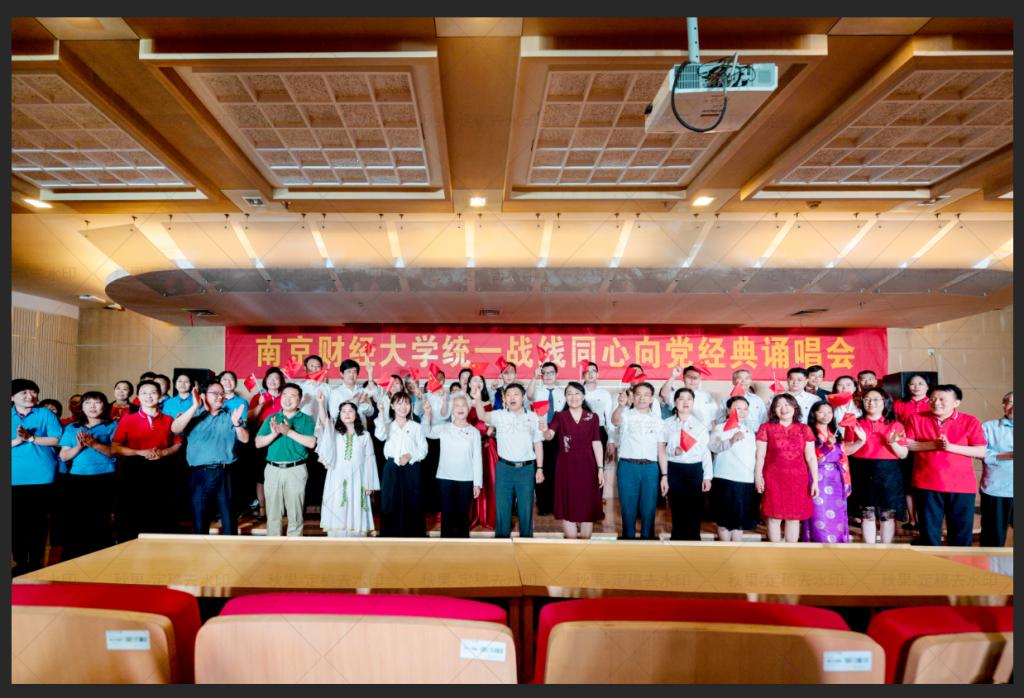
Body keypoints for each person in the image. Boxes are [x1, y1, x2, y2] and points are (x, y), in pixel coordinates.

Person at [905, 384, 987, 547]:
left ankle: (961, 562)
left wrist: (949, 447)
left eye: (942, 399)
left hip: (961, 486)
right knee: (929, 534)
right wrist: (933, 445)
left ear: (956, 403)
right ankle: (933, 562)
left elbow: (981, 451)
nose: (936, 403)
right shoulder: (916, 418)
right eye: (932, 399)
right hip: (926, 483)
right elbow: (907, 444)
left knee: (961, 534)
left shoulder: (970, 421)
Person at [171, 381, 249, 536]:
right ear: (203, 396)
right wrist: (195, 406)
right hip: (200, 473)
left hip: (225, 472)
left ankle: (229, 549)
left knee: (229, 519)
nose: (220, 397)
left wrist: (237, 424)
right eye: (215, 393)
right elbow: (175, 429)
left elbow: (245, 439)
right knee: (200, 519)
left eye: (222, 394)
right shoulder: (193, 415)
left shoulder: (230, 416)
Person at [111, 379, 182, 539]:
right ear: (138, 396)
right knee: (133, 513)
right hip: (135, 469)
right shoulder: (128, 419)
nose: (148, 396)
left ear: (160, 396)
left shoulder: (169, 419)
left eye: (153, 393)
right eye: (144, 393)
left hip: (162, 469)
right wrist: (140, 452)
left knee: (161, 513)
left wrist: (164, 452)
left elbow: (178, 444)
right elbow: (115, 447)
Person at [472, 382, 544, 538]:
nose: (512, 398)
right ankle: (501, 543)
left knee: (526, 510)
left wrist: (540, 468)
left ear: (523, 397)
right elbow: (482, 416)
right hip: (504, 468)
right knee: (503, 510)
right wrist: (477, 400)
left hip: (526, 469)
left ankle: (526, 541)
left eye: (516, 394)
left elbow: (538, 443)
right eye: (508, 395)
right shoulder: (499, 415)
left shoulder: (533, 417)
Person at [57, 391, 118, 559]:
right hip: (77, 478)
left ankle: (100, 557)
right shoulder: (73, 428)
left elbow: (116, 452)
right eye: (88, 403)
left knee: (101, 518)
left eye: (97, 402)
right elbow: (64, 456)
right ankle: (74, 557)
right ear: (82, 407)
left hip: (105, 477)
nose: (92, 406)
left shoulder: (113, 425)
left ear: (104, 406)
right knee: (77, 519)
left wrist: (95, 444)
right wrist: (79, 446)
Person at [11, 379, 63, 574]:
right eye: (24, 392)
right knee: (15, 521)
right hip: (13, 475)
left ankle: (35, 560)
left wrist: (32, 438)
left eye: (33, 391)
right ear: (12, 397)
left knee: (38, 521)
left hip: (42, 474)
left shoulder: (45, 413)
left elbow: (57, 439)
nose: (30, 396)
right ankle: (19, 561)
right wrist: (17, 440)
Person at [541, 381, 604, 539]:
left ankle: (585, 544)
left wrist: (600, 469)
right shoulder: (559, 416)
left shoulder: (592, 417)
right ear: (565, 397)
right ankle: (571, 543)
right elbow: (549, 436)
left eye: (577, 393)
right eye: (569, 393)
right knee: (567, 502)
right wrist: (544, 430)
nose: (573, 397)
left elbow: (597, 443)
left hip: (588, 466)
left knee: (587, 503)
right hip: (566, 466)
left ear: (583, 396)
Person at [255, 383, 317, 537]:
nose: (288, 399)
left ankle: (294, 546)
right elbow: (258, 443)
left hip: (296, 469)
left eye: (292, 396)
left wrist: (288, 432)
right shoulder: (272, 418)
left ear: (300, 400)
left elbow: (311, 443)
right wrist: (274, 433)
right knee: (273, 513)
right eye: (285, 395)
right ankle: (273, 544)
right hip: (273, 469)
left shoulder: (306, 419)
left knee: (295, 513)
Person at [754, 393, 818, 543]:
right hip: (773, 478)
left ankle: (791, 551)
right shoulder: (766, 428)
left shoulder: (804, 429)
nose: (783, 408)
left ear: (795, 407)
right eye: (779, 405)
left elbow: (811, 457)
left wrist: (815, 481)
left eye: (787, 405)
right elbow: (760, 456)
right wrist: (758, 476)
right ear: (773, 410)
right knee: (774, 517)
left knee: (793, 518)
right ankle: (775, 551)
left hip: (798, 479)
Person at [848, 389, 908, 544]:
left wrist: (892, 443)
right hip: (862, 470)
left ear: (885, 402)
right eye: (867, 399)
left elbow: (903, 454)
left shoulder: (895, 424)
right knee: (867, 514)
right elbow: (846, 451)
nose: (871, 402)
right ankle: (869, 550)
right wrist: (860, 442)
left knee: (887, 514)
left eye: (876, 399)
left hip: (888, 472)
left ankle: (886, 548)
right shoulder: (855, 423)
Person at [314, 394, 379, 536]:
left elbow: (370, 460)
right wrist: (320, 403)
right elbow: (324, 421)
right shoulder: (335, 433)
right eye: (343, 411)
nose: (347, 414)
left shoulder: (365, 435)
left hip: (359, 478)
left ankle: (356, 536)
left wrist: (369, 484)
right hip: (337, 476)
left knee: (356, 502)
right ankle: (338, 536)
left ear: (356, 414)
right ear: (340, 415)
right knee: (338, 503)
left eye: (350, 411)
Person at [800, 401, 865, 544]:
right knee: (819, 512)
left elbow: (843, 453)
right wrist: (827, 446)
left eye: (829, 412)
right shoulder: (808, 432)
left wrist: (860, 442)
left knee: (838, 513)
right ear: (814, 413)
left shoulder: (834, 432)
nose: (826, 415)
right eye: (821, 412)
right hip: (818, 476)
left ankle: (837, 544)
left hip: (836, 478)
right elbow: (809, 457)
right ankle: (819, 543)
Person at [611, 381, 667, 540]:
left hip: (650, 468)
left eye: (646, 395)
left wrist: (665, 475)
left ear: (652, 399)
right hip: (628, 467)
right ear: (633, 397)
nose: (642, 398)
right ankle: (628, 540)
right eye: (638, 395)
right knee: (628, 508)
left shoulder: (658, 421)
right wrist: (621, 405)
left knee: (649, 508)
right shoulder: (626, 415)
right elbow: (615, 420)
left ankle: (647, 541)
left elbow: (661, 450)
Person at [423, 394, 482, 538]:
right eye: (456, 405)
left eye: (463, 405)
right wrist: (427, 413)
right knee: (447, 516)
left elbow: (477, 458)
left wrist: (477, 483)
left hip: (466, 479)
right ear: (451, 409)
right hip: (445, 478)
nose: (460, 408)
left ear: (469, 408)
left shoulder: (474, 432)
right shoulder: (444, 428)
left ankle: (463, 545)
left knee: (463, 516)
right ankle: (445, 545)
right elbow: (426, 431)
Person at [373, 390, 429, 537]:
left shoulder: (416, 426)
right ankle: (390, 536)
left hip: (412, 468)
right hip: (392, 468)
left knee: (413, 501)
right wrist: (381, 412)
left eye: (406, 403)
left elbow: (423, 449)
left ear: (411, 406)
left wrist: (411, 455)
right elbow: (380, 435)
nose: (403, 407)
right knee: (390, 501)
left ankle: (414, 535)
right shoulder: (387, 425)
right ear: (392, 406)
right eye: (399, 404)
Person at [661, 387, 713, 541]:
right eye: (681, 398)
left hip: (694, 469)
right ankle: (676, 541)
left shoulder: (700, 425)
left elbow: (706, 452)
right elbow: (661, 449)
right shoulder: (667, 424)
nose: (685, 402)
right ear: (675, 402)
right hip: (674, 469)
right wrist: (673, 451)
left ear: (693, 402)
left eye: (689, 399)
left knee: (694, 510)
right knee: (677, 509)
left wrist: (707, 477)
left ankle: (694, 543)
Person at [709, 396, 757, 541]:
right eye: (738, 408)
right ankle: (724, 548)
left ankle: (737, 546)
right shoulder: (719, 428)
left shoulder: (750, 431)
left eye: (745, 409)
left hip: (745, 479)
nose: (742, 412)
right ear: (728, 410)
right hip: (725, 477)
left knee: (739, 521)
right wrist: (731, 440)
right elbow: (714, 447)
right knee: (724, 520)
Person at [894, 373, 932, 530]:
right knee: (908, 485)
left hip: (928, 448)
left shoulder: (934, 403)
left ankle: (926, 520)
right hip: (906, 448)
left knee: (925, 486)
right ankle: (912, 519)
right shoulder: (899, 403)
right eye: (912, 384)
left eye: (920, 383)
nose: (916, 387)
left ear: (927, 386)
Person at [527, 362, 565, 517]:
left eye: (551, 372)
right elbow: (529, 396)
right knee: (540, 468)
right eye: (545, 373)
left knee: (556, 470)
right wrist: (534, 377)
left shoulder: (562, 393)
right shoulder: (537, 390)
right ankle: (542, 504)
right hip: (539, 435)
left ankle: (555, 504)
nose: (548, 376)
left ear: (556, 374)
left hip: (557, 435)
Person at [247, 367, 285, 520]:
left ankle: (278, 508)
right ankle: (262, 508)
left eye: (276, 378)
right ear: (265, 381)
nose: (273, 381)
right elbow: (249, 418)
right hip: (262, 438)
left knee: (281, 472)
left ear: (281, 381)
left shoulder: (286, 396)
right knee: (260, 474)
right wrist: (260, 405)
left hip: (282, 437)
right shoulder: (258, 397)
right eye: (270, 378)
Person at [980, 392, 1013, 547]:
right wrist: (1007, 455)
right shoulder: (989, 427)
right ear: (1004, 405)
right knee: (992, 539)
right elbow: (981, 453)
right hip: (996, 490)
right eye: (1011, 402)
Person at [582, 361, 617, 504]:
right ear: (583, 374)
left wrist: (611, 440)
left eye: (593, 371)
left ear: (597, 374)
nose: (590, 374)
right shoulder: (578, 392)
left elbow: (609, 419)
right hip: (580, 433)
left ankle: (597, 498)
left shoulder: (604, 394)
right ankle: (582, 498)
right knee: (582, 466)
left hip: (599, 431)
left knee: (599, 465)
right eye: (587, 371)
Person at [719, 369, 768, 433]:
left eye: (747, 378)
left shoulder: (757, 400)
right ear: (733, 381)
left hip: (754, 435)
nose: (743, 381)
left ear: (750, 381)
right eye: (740, 378)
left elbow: (764, 420)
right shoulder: (725, 401)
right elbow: (720, 421)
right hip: (732, 435)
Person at [328, 359, 375, 423]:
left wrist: (365, 402)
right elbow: (333, 414)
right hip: (343, 428)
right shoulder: (336, 392)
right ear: (342, 374)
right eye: (349, 371)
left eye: (354, 372)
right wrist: (353, 402)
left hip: (361, 427)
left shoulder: (362, 391)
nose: (352, 375)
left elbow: (371, 413)